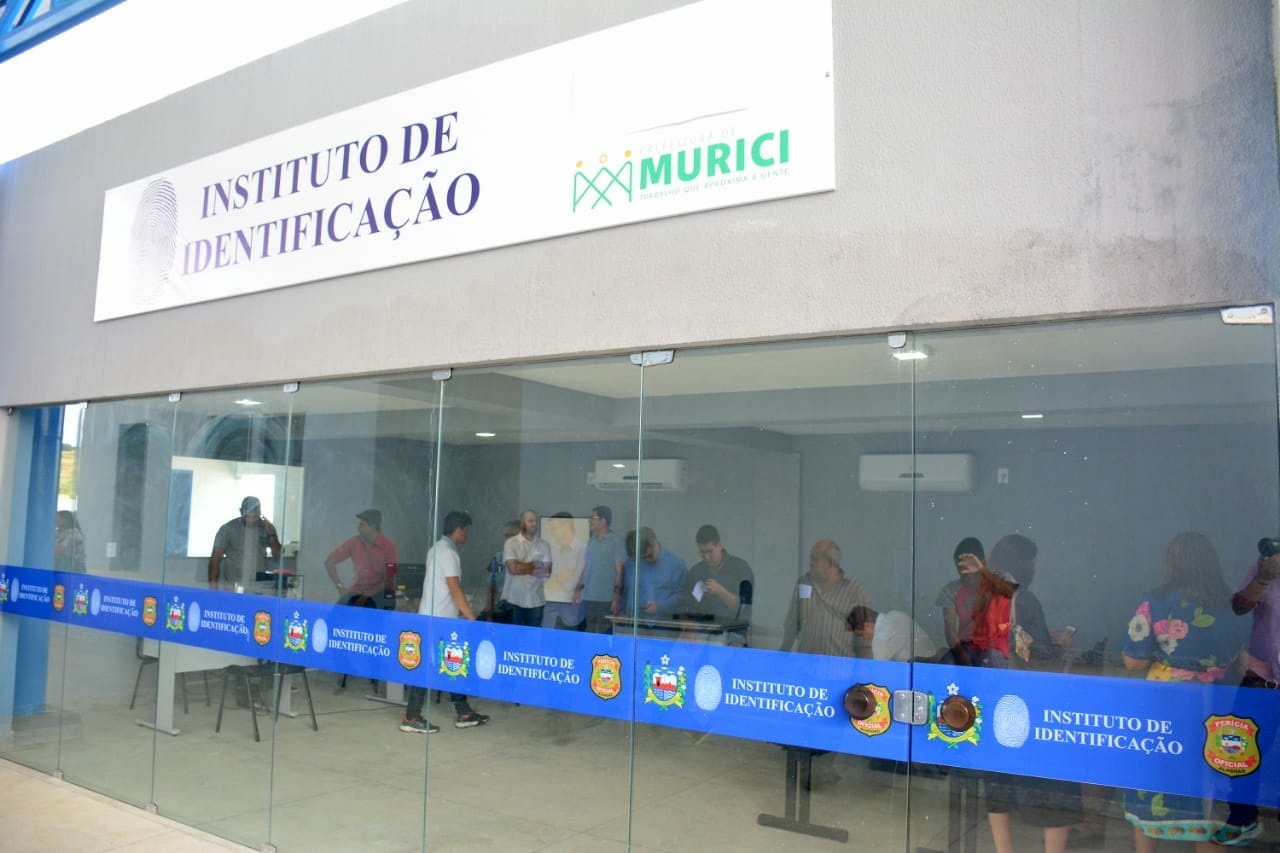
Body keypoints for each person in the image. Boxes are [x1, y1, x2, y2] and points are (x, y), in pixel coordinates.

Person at [1121, 532, 1244, 852]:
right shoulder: (1231, 604)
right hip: (1218, 704)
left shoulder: (1156, 602)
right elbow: (1243, 656)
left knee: (1154, 781)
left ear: (1170, 564)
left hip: (1167, 706)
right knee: (1210, 788)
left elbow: (1134, 661)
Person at [981, 535, 1082, 853]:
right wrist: (1060, 644)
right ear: (1023, 563)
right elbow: (1039, 660)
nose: (1036, 567)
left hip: (994, 697)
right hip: (1026, 698)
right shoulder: (1023, 599)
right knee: (1056, 782)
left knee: (999, 780)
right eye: (1034, 561)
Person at [1210, 542, 1280, 846]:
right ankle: (1242, 819)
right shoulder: (1266, 567)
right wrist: (1264, 578)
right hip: (1261, 681)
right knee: (1240, 751)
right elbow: (1239, 607)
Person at [401, 511, 490, 733]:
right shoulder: (449, 554)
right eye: (466, 530)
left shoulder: (435, 549)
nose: (467, 534)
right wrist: (471, 617)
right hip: (441, 620)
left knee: (452, 664)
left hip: (434, 616)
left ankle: (464, 712)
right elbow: (454, 588)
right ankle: (411, 717)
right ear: (458, 530)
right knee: (435, 666)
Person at [781, 540, 868, 657]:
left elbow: (864, 644)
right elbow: (791, 625)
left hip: (838, 667)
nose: (810, 563)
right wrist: (782, 654)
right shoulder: (804, 583)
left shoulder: (855, 592)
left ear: (830, 563)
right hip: (805, 665)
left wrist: (863, 668)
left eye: (814, 559)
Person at [679, 524, 754, 645]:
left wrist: (720, 591)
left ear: (719, 546)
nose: (706, 557)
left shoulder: (740, 568)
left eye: (710, 552)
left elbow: (744, 609)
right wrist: (689, 629)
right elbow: (684, 605)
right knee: (677, 651)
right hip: (699, 629)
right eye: (702, 553)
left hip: (731, 631)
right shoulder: (696, 571)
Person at [324, 509, 398, 605]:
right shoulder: (354, 542)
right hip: (356, 593)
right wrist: (340, 587)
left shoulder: (389, 547)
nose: (358, 527)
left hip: (380, 595)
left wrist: (365, 596)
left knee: (368, 609)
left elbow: (390, 581)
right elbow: (329, 562)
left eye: (362, 524)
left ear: (373, 526)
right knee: (336, 613)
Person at [208, 496, 281, 590]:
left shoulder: (267, 528)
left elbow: (278, 556)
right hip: (234, 587)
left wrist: (271, 533)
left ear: (260, 512)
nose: (251, 519)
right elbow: (215, 560)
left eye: (255, 515)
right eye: (248, 515)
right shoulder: (228, 529)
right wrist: (213, 590)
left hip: (258, 588)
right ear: (241, 511)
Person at [935, 536, 985, 665]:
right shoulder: (951, 590)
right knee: (946, 664)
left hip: (992, 647)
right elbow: (950, 629)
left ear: (981, 564)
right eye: (959, 567)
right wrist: (961, 657)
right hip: (965, 647)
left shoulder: (995, 586)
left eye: (968, 566)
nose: (963, 572)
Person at [578, 505, 626, 633]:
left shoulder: (616, 542)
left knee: (603, 636)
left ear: (603, 521)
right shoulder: (591, 541)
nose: (589, 521)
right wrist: (579, 589)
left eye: (592, 518)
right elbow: (586, 567)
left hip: (606, 600)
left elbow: (620, 571)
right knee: (589, 635)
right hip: (589, 598)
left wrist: (617, 598)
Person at [620, 527, 686, 621]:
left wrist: (660, 607)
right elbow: (625, 593)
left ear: (655, 542)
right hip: (636, 622)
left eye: (650, 555)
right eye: (643, 557)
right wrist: (623, 613)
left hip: (664, 623)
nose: (647, 559)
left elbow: (682, 596)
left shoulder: (676, 564)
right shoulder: (632, 563)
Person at [503, 509, 550, 627]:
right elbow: (513, 569)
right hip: (514, 601)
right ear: (522, 523)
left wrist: (521, 564)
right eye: (530, 521)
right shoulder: (511, 543)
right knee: (513, 636)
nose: (534, 524)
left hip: (536, 601)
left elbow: (546, 572)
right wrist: (535, 564)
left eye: (536, 521)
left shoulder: (544, 545)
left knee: (533, 637)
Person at [542, 512, 587, 630]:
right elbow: (544, 581)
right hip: (549, 617)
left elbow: (573, 586)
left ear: (566, 526)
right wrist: (562, 576)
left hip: (569, 617)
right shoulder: (554, 551)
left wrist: (555, 579)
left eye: (554, 529)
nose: (552, 533)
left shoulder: (583, 550)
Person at [847, 605, 936, 662]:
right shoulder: (896, 614)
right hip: (933, 660)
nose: (864, 638)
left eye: (861, 634)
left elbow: (878, 672)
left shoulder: (881, 638)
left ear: (867, 625)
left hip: (921, 670)